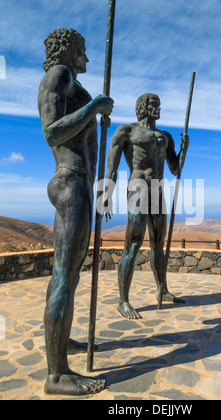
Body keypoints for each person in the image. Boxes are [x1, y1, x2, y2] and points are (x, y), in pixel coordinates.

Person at [38, 28, 114, 396]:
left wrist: (92, 117)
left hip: (77, 181)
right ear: (68, 50)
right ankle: (57, 376)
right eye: (82, 50)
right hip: (70, 181)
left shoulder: (68, 79)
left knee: (65, 276)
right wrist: (94, 108)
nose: (85, 57)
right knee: (66, 278)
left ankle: (60, 342)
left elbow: (74, 126)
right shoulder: (59, 75)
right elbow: (52, 133)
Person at [104, 93, 188, 319]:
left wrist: (183, 150)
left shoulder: (165, 137)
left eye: (159, 104)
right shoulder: (127, 131)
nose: (157, 107)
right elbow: (111, 168)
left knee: (158, 245)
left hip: (159, 190)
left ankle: (163, 289)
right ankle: (123, 300)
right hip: (138, 189)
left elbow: (174, 168)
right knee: (132, 244)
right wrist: (106, 193)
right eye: (153, 104)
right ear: (142, 107)